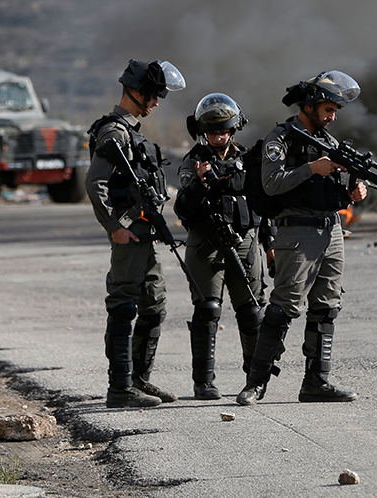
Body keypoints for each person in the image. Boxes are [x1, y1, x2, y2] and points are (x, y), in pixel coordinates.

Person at [236, 71, 368, 406]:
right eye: (328, 109)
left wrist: (354, 191)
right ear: (309, 105)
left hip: (331, 230)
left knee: (327, 307)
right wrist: (312, 168)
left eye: (335, 111)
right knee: (284, 307)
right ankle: (255, 383)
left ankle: (316, 382)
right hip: (297, 231)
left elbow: (337, 187)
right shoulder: (280, 138)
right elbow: (271, 184)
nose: (332, 116)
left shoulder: (330, 143)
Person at [85, 59, 185, 408]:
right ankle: (120, 387)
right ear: (135, 91)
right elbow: (95, 182)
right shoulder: (115, 132)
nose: (156, 102)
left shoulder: (132, 132)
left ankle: (140, 379)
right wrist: (113, 227)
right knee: (124, 304)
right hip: (128, 233)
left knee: (154, 304)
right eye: (153, 95)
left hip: (144, 233)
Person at [174, 93, 272, 400]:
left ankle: (255, 379)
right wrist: (199, 183)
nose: (218, 137)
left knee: (252, 310)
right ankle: (203, 382)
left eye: (223, 131)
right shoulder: (194, 162)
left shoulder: (248, 160)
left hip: (245, 242)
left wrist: (270, 243)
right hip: (206, 244)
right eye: (212, 132)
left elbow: (264, 204)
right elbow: (182, 208)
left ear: (233, 130)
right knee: (208, 309)